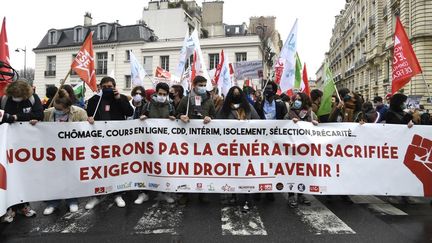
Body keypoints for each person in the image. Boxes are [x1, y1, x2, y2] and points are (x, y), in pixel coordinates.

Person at [29, 89, 90, 215]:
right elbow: (37, 122)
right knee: (53, 177)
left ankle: (72, 201)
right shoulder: (48, 113)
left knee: (71, 176)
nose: (56, 110)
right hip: (53, 152)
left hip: (72, 152)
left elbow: (87, 132)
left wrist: (90, 122)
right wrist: (35, 120)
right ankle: (53, 203)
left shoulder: (80, 112)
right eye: (55, 108)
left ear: (68, 108)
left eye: (60, 109)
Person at [85, 77, 134, 209]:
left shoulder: (121, 98)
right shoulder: (94, 100)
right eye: (104, 86)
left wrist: (118, 99)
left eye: (110, 86)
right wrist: (88, 119)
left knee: (116, 167)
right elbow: (88, 115)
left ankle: (117, 194)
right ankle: (96, 196)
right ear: (100, 87)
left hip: (117, 140)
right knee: (98, 167)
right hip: (99, 139)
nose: (107, 88)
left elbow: (129, 112)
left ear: (114, 87)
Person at [0, 79, 43, 223]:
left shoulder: (32, 98)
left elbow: (39, 114)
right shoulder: (5, 99)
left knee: (25, 175)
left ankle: (24, 205)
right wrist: (9, 118)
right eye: (14, 96)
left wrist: (17, 118)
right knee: (9, 175)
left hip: (26, 144)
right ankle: (10, 208)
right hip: (8, 144)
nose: (16, 98)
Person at [216, 86, 260, 211]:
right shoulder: (224, 109)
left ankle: (248, 197)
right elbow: (216, 124)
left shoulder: (248, 108)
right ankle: (232, 194)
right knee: (232, 171)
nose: (236, 96)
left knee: (246, 172)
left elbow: (259, 122)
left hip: (247, 147)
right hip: (230, 147)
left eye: (238, 94)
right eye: (233, 94)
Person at [176, 75, 216, 204]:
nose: (203, 88)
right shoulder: (186, 100)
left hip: (204, 140)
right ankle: (185, 193)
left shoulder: (209, 101)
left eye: (205, 85)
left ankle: (202, 192)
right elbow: (177, 114)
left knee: (203, 166)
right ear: (194, 85)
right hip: (187, 139)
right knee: (187, 166)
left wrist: (210, 118)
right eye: (200, 85)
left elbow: (215, 117)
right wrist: (181, 116)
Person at [136, 82, 176, 204]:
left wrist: (173, 119)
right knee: (147, 167)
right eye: (160, 93)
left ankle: (163, 193)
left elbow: (175, 121)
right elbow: (139, 120)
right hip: (149, 143)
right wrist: (142, 118)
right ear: (156, 93)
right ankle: (144, 193)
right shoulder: (148, 105)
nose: (162, 96)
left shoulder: (170, 106)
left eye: (164, 94)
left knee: (163, 167)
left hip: (164, 144)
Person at [253, 81, 287, 202]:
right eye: (266, 89)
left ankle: (269, 190)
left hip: (275, 139)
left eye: (269, 89)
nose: (267, 91)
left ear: (274, 90)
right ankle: (258, 190)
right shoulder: (259, 104)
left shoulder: (281, 104)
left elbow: (285, 119)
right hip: (261, 139)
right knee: (259, 165)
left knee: (272, 165)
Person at [284, 92, 318, 208]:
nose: (296, 101)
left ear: (304, 101)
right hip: (292, 148)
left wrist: (314, 124)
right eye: (295, 99)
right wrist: (289, 122)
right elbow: (282, 126)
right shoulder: (289, 113)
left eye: (299, 99)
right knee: (292, 171)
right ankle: (291, 195)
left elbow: (318, 129)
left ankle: (301, 194)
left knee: (302, 171)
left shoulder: (311, 113)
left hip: (305, 149)